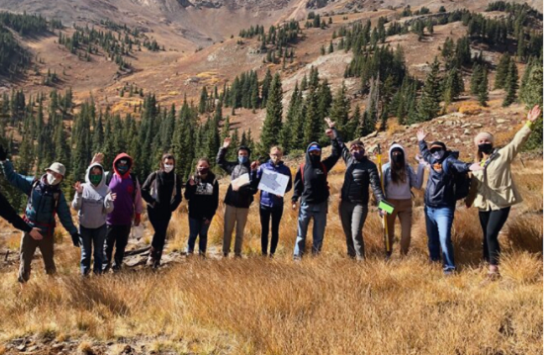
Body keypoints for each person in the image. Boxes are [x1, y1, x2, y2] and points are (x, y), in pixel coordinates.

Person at [466, 105, 541, 279]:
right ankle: (487, 262)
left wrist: (529, 123)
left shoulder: (502, 155)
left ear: (492, 143)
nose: (484, 143)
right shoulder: (476, 164)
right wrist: (469, 200)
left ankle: (494, 270)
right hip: (483, 204)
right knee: (486, 235)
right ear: (477, 145)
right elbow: (475, 185)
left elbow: (517, 141)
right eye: (481, 142)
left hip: (501, 202)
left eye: (487, 141)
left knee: (492, 233)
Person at [0, 145, 79, 283]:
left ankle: (52, 287)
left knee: (49, 263)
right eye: (54, 173)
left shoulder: (57, 195)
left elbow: (65, 215)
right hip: (29, 230)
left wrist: (73, 232)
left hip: (46, 233)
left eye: (59, 176)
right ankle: (22, 287)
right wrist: (4, 162)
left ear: (62, 178)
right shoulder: (33, 184)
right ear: (48, 171)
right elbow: (12, 177)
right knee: (25, 262)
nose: (55, 177)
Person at [417, 129, 482, 274]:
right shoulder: (432, 159)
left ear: (444, 150)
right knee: (432, 238)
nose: (436, 152)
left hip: (444, 208)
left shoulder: (449, 161)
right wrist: (421, 141)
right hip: (429, 208)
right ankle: (434, 261)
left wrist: (471, 166)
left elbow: (460, 165)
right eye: (434, 150)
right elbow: (425, 153)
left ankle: (449, 267)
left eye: (439, 149)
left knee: (444, 238)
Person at [291, 120, 341, 259]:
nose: (315, 153)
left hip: (321, 205)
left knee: (318, 235)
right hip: (305, 205)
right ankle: (297, 258)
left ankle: (315, 258)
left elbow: (336, 154)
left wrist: (333, 137)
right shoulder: (302, 167)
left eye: (317, 151)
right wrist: (294, 200)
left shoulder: (324, 166)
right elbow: (298, 186)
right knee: (301, 234)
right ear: (308, 152)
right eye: (312, 151)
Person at [336, 125, 386, 260]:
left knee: (356, 233)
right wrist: (334, 129)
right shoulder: (349, 160)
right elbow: (341, 145)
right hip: (345, 204)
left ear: (363, 150)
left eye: (359, 148)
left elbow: (376, 187)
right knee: (348, 233)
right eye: (354, 148)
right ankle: (351, 257)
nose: (356, 150)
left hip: (359, 205)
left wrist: (383, 205)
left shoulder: (370, 166)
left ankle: (361, 261)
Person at [91, 153, 143, 272]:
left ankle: (117, 267)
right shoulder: (108, 176)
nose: (122, 166)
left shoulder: (133, 179)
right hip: (108, 220)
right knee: (107, 246)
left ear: (129, 165)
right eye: (120, 163)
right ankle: (104, 267)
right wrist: (93, 164)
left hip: (125, 221)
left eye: (125, 164)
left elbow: (138, 198)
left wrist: (138, 214)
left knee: (121, 246)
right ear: (115, 164)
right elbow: (92, 178)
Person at [381, 143, 425, 257]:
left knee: (406, 234)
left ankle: (403, 255)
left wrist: (421, 166)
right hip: (389, 202)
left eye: (399, 153)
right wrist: (382, 207)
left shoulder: (408, 168)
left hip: (406, 203)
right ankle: (388, 254)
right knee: (388, 231)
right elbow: (379, 189)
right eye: (394, 153)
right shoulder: (385, 168)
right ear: (390, 154)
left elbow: (418, 185)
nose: (397, 155)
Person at [72, 162, 116, 276]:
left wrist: (109, 200)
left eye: (98, 173)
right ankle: (84, 276)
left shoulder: (106, 190)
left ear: (102, 175)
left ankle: (97, 276)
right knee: (85, 254)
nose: (95, 175)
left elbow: (108, 210)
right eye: (93, 173)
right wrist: (79, 194)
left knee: (98, 253)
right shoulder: (83, 187)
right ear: (89, 173)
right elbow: (75, 206)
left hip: (100, 227)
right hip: (84, 227)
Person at [217, 138, 256, 258]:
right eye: (240, 154)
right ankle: (225, 252)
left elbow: (254, 188)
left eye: (245, 154)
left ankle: (237, 253)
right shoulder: (233, 166)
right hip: (230, 204)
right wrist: (224, 148)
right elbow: (220, 161)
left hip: (244, 205)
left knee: (240, 231)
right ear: (237, 155)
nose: (243, 156)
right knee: (227, 230)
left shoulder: (252, 168)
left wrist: (243, 189)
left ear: (248, 155)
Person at [141, 153, 182, 267]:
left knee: (162, 233)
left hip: (166, 210)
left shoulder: (175, 177)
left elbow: (178, 196)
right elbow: (143, 190)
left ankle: (157, 259)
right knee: (159, 231)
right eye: (167, 163)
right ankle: (152, 256)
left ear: (174, 165)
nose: (169, 165)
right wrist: (152, 202)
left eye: (171, 164)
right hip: (153, 209)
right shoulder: (155, 175)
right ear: (162, 163)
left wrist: (172, 207)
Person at [250, 146, 293, 257]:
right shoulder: (263, 167)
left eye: (278, 154)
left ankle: (272, 253)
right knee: (264, 229)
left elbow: (289, 186)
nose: (276, 156)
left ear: (281, 156)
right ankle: (264, 253)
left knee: (275, 229)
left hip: (277, 204)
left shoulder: (285, 169)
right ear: (270, 155)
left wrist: (282, 191)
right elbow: (254, 182)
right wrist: (253, 171)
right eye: (274, 154)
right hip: (264, 203)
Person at [184, 158, 219, 256]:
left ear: (209, 167)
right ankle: (189, 253)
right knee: (193, 235)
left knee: (203, 235)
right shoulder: (192, 179)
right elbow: (187, 196)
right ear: (197, 167)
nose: (203, 168)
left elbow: (215, 200)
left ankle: (202, 255)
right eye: (200, 166)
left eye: (205, 166)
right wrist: (191, 186)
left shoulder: (213, 180)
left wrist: (210, 215)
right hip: (194, 213)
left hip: (207, 214)